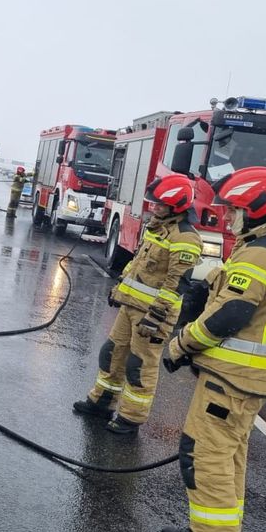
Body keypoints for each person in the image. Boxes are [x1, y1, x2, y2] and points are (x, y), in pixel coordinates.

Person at [159, 167, 266, 532]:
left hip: (234, 378)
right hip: (241, 378)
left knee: (206, 456)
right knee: (228, 457)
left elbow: (231, 314)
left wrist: (182, 344)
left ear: (255, 209)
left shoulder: (261, 252)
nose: (228, 217)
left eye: (234, 209)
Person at [73, 174, 202, 434]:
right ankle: (101, 402)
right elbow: (138, 264)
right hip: (130, 306)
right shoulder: (157, 227)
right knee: (112, 353)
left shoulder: (185, 238)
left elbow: (176, 283)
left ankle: (131, 418)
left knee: (139, 364)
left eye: (160, 204)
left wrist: (156, 316)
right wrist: (120, 286)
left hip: (153, 315)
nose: (154, 206)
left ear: (176, 205)